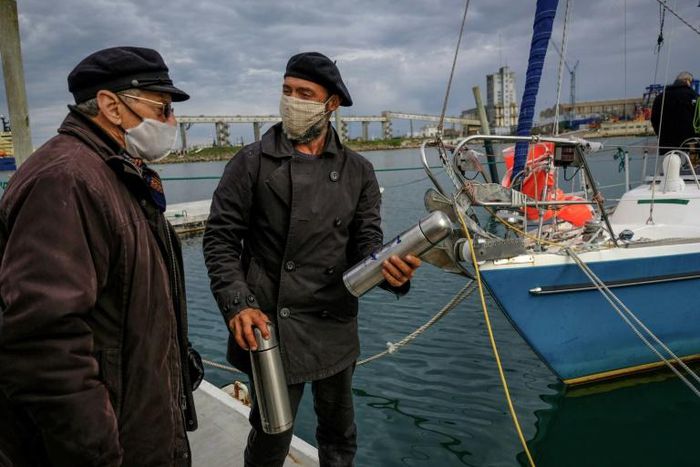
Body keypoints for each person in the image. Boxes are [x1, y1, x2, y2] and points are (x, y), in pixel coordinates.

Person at [203, 51, 422, 466]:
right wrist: (238, 304)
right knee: (273, 433)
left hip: (333, 321)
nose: (292, 100)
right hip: (269, 323)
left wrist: (392, 273)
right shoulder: (250, 163)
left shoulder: (359, 171)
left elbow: (366, 246)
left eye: (305, 92)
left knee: (339, 434)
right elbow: (220, 239)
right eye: (287, 90)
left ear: (331, 104)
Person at [0, 46, 203, 466]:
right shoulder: (67, 180)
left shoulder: (115, 172)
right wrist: (97, 454)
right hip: (115, 448)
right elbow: (44, 344)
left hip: (142, 431)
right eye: (162, 108)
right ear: (111, 105)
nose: (171, 122)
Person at [651, 71, 699, 153]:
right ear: (687, 81)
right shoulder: (694, 96)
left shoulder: (660, 98)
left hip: (667, 143)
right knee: (693, 164)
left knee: (671, 164)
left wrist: (660, 134)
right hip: (691, 144)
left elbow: (654, 119)